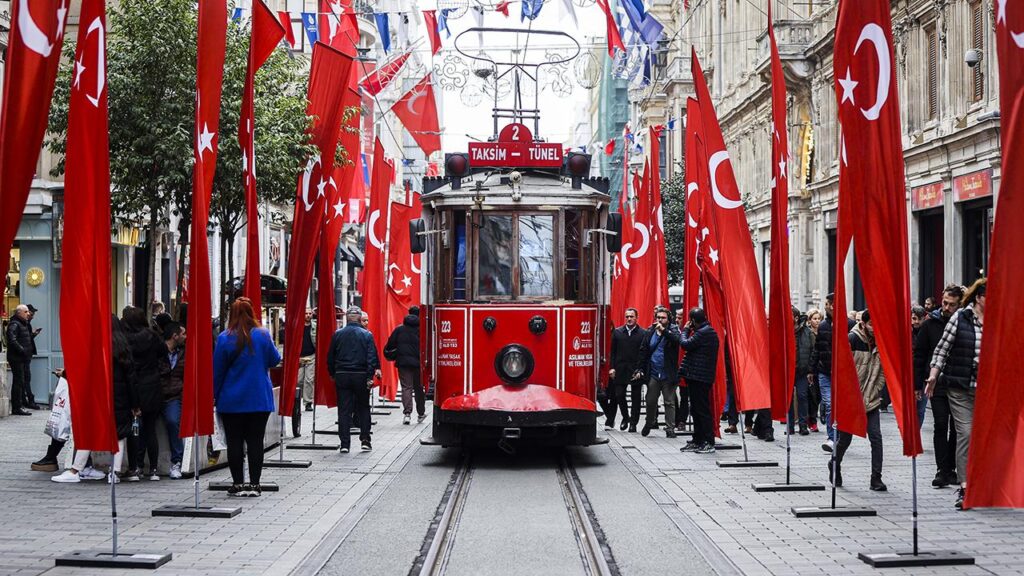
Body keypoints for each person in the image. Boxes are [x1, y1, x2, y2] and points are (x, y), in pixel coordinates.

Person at [52, 316, 136, 483]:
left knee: (88, 431)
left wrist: (66, 374)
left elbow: (84, 370)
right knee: (119, 435)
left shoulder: (98, 346)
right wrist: (135, 403)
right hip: (121, 398)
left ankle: (76, 470)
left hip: (98, 396)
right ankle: (115, 473)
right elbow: (131, 379)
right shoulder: (123, 347)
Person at [926, 278, 985, 510]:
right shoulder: (960, 318)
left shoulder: (999, 318)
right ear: (979, 298)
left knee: (984, 438)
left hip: (986, 390)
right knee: (966, 433)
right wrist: (933, 375)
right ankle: (965, 487)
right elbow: (941, 349)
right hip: (959, 387)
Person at [213, 297, 281, 497]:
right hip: (259, 398)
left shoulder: (225, 338)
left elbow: (218, 371)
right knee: (255, 441)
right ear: (252, 312)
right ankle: (255, 484)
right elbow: (275, 359)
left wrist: (215, 396)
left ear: (231, 315)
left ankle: (237, 483)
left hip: (232, 399)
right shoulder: (263, 335)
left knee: (234, 442)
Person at [829, 309, 887, 491]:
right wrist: (848, 395)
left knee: (876, 437)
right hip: (851, 399)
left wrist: (876, 390)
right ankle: (834, 464)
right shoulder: (852, 339)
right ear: (863, 323)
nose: (874, 329)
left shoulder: (881, 342)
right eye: (871, 325)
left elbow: (883, 372)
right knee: (845, 439)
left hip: (871, 398)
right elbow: (841, 369)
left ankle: (876, 478)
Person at [914, 283, 963, 489]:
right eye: (944, 302)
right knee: (941, 424)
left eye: (951, 304)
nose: (946, 307)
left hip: (958, 381)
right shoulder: (929, 324)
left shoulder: (963, 322)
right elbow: (919, 354)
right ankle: (942, 470)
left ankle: (951, 468)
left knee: (958, 428)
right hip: (936, 382)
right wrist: (917, 384)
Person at [327, 306, 381, 453]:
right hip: (361, 375)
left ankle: (345, 443)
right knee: (363, 408)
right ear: (359, 319)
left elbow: (330, 357)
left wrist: (333, 373)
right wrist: (369, 376)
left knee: (344, 410)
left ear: (346, 318)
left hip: (342, 375)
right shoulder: (367, 335)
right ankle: (365, 439)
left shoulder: (337, 335)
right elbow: (371, 358)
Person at [122, 306, 166, 481]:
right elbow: (163, 352)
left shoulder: (125, 339)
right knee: (150, 430)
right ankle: (153, 469)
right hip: (153, 386)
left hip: (135, 387)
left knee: (134, 430)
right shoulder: (152, 336)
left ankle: (135, 467)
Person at [809, 293, 854, 452]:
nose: (826, 306)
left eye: (828, 303)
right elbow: (817, 349)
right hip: (825, 372)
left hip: (844, 375)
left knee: (841, 407)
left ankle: (841, 436)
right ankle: (831, 437)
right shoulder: (822, 326)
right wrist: (811, 370)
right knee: (829, 404)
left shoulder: (850, 325)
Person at [677, 308, 720, 454]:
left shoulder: (704, 333)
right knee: (696, 410)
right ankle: (698, 439)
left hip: (700, 378)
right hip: (697, 376)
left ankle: (708, 441)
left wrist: (685, 330)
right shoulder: (706, 331)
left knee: (702, 411)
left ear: (693, 321)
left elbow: (684, 344)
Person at [637, 307, 681, 438]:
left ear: (669, 319)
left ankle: (670, 428)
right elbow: (643, 350)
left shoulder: (673, 330)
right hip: (654, 372)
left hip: (668, 373)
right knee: (650, 400)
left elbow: (677, 341)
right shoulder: (650, 331)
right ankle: (649, 422)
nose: (660, 320)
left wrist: (664, 331)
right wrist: (639, 368)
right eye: (658, 318)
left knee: (669, 402)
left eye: (663, 318)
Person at [383, 306, 425, 425]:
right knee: (418, 388)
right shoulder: (422, 329)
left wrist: (397, 352)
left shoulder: (399, 329)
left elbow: (390, 345)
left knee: (406, 387)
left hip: (403, 363)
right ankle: (421, 413)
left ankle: (407, 414)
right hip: (418, 363)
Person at [607, 308, 645, 432]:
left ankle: (633, 423)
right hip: (620, 369)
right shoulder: (617, 332)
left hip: (636, 370)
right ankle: (625, 417)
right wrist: (611, 367)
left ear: (636, 317)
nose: (629, 319)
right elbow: (612, 352)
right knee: (619, 395)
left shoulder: (642, 333)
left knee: (636, 398)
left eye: (632, 316)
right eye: (627, 316)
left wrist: (641, 369)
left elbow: (644, 353)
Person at [159, 322, 186, 479]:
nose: (185, 337)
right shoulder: (158, 352)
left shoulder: (183, 353)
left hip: (174, 395)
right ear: (174, 336)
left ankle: (177, 461)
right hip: (156, 393)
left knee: (172, 420)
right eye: (183, 334)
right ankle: (139, 465)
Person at [5, 304, 33, 415]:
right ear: (19, 313)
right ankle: (17, 407)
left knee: (20, 381)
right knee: (18, 382)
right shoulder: (15, 324)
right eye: (26, 312)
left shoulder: (22, 324)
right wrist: (22, 350)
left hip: (21, 358)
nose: (28, 313)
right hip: (16, 358)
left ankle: (18, 406)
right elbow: (12, 339)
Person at [791, 307, 815, 435]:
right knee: (788, 399)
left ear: (795, 318)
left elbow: (813, 351)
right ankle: (789, 426)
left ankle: (803, 425)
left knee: (802, 396)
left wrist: (810, 370)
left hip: (802, 370)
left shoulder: (807, 332)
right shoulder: (784, 331)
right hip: (788, 371)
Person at [805, 307, 823, 432]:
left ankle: (813, 417)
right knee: (812, 395)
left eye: (818, 319)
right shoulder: (808, 333)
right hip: (811, 368)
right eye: (814, 319)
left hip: (821, 367)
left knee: (819, 396)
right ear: (810, 320)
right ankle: (812, 420)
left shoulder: (822, 332)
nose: (817, 321)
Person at [22, 304, 42, 409]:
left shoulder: (26, 324)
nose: (33, 316)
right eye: (32, 313)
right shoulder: (23, 324)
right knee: (25, 378)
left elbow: (26, 339)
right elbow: (23, 340)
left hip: (26, 354)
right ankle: (29, 400)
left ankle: (25, 400)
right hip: (23, 355)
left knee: (24, 378)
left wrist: (33, 334)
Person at [299, 309, 316, 412]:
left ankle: (308, 402)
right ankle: (297, 400)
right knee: (299, 380)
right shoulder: (298, 326)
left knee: (309, 379)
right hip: (299, 356)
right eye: (306, 313)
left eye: (310, 313)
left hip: (311, 355)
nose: (308, 315)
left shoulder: (315, 326)